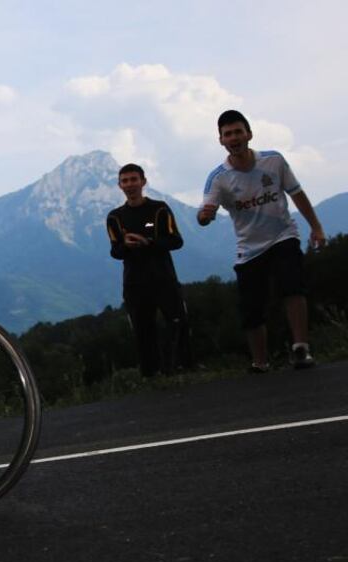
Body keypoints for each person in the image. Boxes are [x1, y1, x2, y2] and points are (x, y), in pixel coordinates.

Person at [198, 110, 326, 372]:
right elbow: (204, 214)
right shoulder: (218, 178)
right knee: (251, 308)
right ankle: (260, 362)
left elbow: (297, 194)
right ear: (221, 140)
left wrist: (316, 227)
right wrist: (205, 216)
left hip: (283, 235)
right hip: (249, 248)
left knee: (292, 285)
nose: (234, 138)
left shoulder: (274, 161)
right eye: (227, 134)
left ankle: (301, 348)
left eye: (238, 132)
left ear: (249, 134)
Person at [106, 163, 191, 377]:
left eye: (134, 179)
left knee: (176, 323)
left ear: (143, 182)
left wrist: (149, 242)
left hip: (164, 278)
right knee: (143, 330)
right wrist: (127, 245)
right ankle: (150, 375)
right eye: (125, 181)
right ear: (119, 185)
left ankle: (180, 368)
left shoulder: (160, 209)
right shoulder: (114, 217)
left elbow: (176, 240)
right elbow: (115, 251)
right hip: (135, 283)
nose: (130, 184)